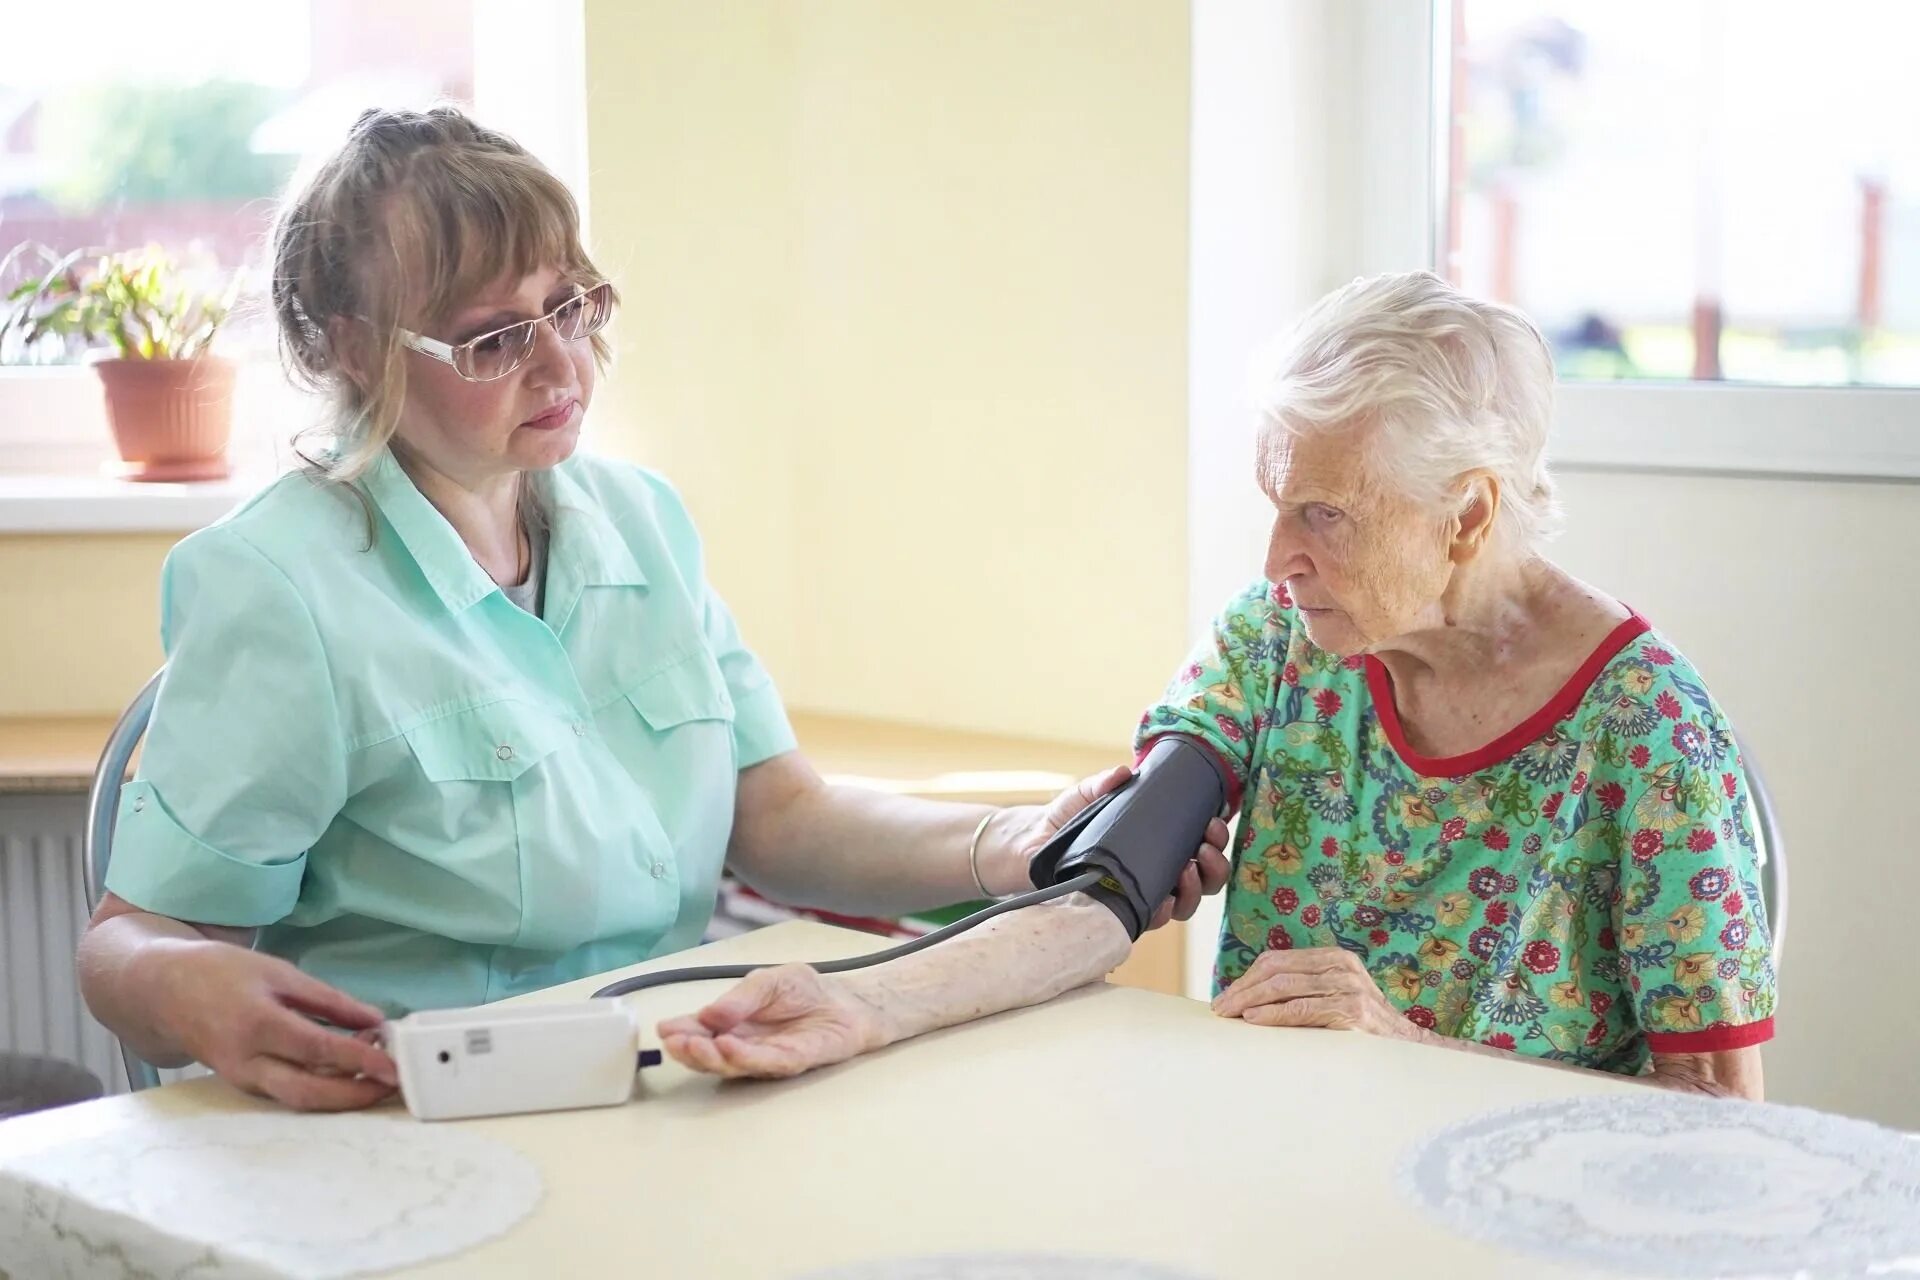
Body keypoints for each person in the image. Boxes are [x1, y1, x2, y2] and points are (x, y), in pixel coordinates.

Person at [75, 107, 1230, 1112]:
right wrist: (185, 981)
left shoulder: (640, 522)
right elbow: (129, 943)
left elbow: (777, 816)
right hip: (405, 1121)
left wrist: (1018, 846)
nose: (562, 365)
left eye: (571, 306)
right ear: (348, 348)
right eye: (493, 337)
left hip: (658, 1083)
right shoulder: (278, 587)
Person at [659, 271, 1776, 1101]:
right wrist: (861, 1001)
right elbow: (1102, 896)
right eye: (1276, 501)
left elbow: (1720, 1126)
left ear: (1469, 513)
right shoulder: (1282, 637)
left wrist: (1410, 1053)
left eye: (1324, 515)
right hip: (1266, 1169)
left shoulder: (1649, 734)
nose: (1275, 557)